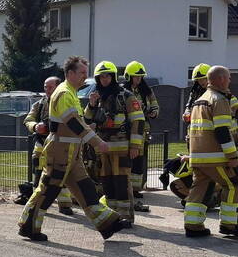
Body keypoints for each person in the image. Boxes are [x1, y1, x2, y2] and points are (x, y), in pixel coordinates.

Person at [19, 56, 129, 242]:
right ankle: (28, 226)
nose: (85, 77)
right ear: (70, 74)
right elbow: (74, 124)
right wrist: (97, 142)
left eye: (86, 73)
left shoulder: (70, 93)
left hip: (71, 154)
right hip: (60, 152)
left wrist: (91, 128)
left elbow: (79, 123)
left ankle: (108, 223)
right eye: (82, 73)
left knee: (86, 189)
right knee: (47, 191)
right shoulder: (64, 93)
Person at [184, 65, 238, 238]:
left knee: (200, 188)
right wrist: (232, 157)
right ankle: (230, 225)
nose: (230, 80)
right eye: (228, 77)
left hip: (199, 157)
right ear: (220, 79)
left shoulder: (200, 99)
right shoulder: (219, 100)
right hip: (217, 157)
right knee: (233, 184)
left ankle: (193, 225)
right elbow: (222, 132)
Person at [84, 61, 145, 223]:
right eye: (101, 77)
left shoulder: (126, 96)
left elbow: (138, 121)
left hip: (122, 147)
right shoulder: (96, 96)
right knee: (107, 182)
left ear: (113, 77)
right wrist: (91, 104)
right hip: (102, 148)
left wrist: (135, 146)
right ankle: (112, 215)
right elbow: (87, 120)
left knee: (122, 181)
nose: (104, 80)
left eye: (107, 76)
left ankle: (125, 216)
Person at [16, 76, 73, 215]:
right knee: (39, 176)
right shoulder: (39, 104)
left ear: (58, 87)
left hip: (59, 146)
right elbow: (28, 119)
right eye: (45, 87)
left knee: (60, 174)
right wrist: (35, 127)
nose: (47, 90)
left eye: (50, 87)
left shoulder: (66, 102)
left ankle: (64, 205)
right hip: (41, 146)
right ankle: (37, 205)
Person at [122, 60, 157, 212]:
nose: (138, 79)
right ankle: (126, 187)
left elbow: (155, 105)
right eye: (136, 77)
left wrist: (153, 111)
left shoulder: (147, 91)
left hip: (143, 130)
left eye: (140, 77)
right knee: (127, 159)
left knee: (139, 160)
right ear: (128, 76)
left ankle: (136, 188)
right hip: (127, 130)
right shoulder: (123, 91)